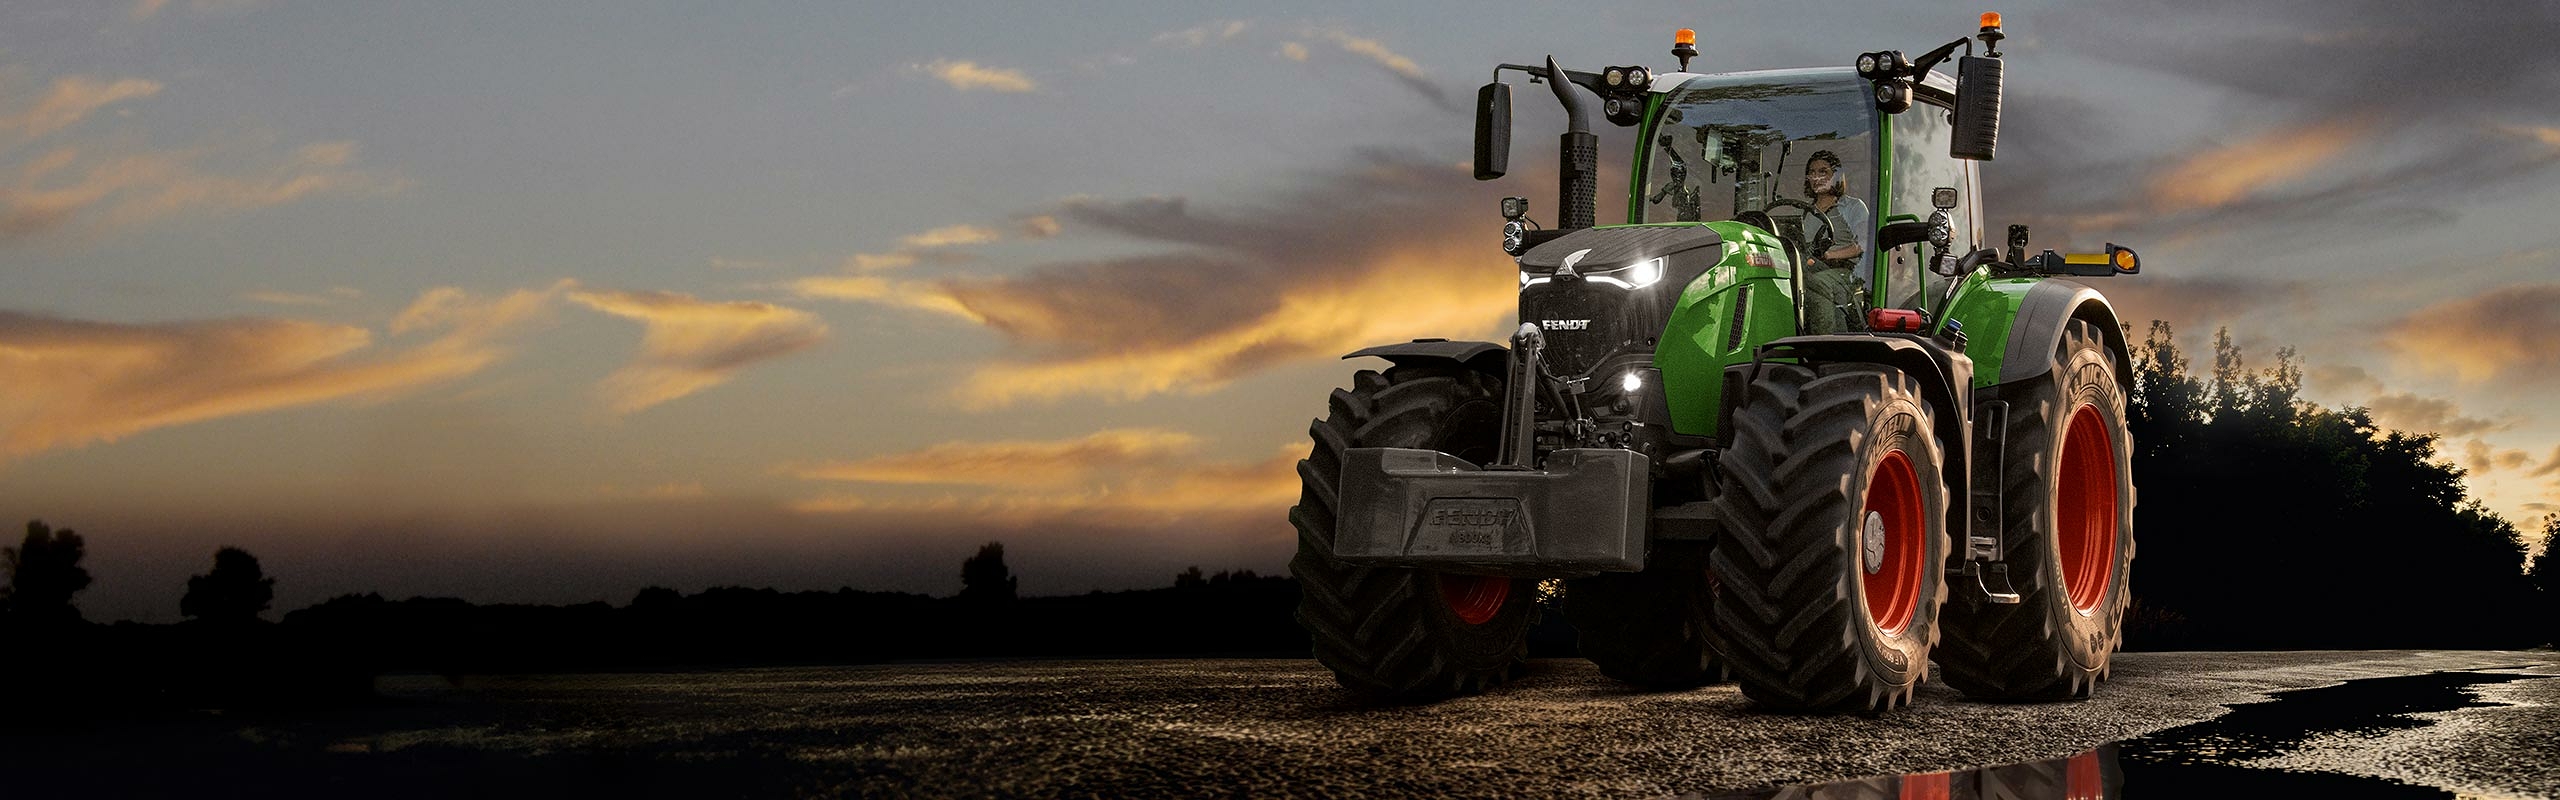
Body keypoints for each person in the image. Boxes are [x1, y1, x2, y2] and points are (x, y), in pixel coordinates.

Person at [1798, 149, 1869, 333]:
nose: (1816, 177)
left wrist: (1830, 254)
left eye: (1823, 172)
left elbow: (1864, 244)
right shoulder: (1806, 212)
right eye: (1812, 172)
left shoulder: (1853, 207)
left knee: (1817, 282)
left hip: (1847, 271)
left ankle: (1824, 342)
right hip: (1812, 266)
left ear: (1836, 176)